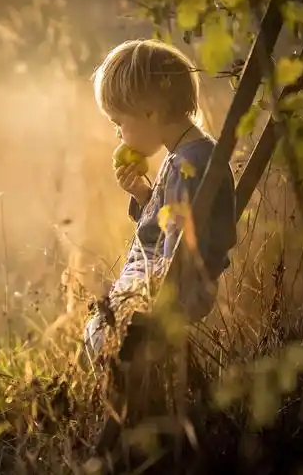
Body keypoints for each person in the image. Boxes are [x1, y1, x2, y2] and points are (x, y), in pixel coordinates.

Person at [83, 39, 237, 364]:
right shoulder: (185, 154)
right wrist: (143, 195)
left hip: (170, 284)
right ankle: (134, 398)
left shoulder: (189, 164)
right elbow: (170, 220)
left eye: (118, 122)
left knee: (102, 335)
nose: (118, 134)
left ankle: (131, 406)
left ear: (149, 113)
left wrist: (157, 298)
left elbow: (180, 244)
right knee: (99, 331)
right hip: (162, 275)